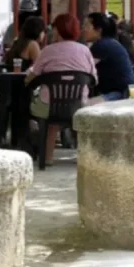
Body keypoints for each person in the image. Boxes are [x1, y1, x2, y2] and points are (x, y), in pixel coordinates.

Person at [27, 14, 96, 165]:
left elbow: (33, 75)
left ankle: (48, 157)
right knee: (74, 117)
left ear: (57, 31)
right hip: (78, 106)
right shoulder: (85, 51)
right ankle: (83, 157)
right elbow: (93, 78)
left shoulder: (48, 51)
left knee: (50, 122)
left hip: (49, 106)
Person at [83, 13, 134, 100]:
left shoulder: (101, 46)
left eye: (87, 26)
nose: (83, 29)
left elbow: (85, 70)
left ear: (98, 30)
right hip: (125, 91)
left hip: (121, 94)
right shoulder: (109, 42)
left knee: (87, 106)